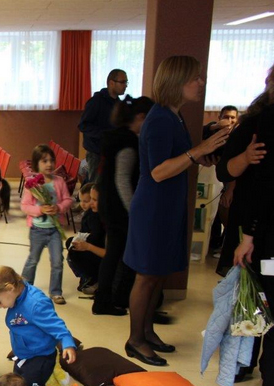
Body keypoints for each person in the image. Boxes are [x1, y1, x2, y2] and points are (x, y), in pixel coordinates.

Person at [123, 56, 230, 367]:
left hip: (166, 206)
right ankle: (135, 340)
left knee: (158, 273)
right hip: (153, 208)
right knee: (147, 276)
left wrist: (201, 155)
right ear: (177, 81)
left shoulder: (174, 115)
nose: (200, 83)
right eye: (195, 78)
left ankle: (147, 331)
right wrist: (197, 152)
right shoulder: (159, 119)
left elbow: (179, 158)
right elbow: (158, 171)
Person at [231, 63, 274, 386]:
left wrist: (249, 236)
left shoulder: (269, 120)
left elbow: (265, 185)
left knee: (268, 313)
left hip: (270, 239)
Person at [0, 266, 77, 386]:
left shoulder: (36, 304)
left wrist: (67, 343)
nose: (1, 307)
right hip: (24, 354)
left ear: (9, 288)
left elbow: (57, 325)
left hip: (40, 356)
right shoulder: (15, 297)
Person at [93, 96, 154, 316]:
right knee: (117, 254)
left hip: (110, 204)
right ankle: (106, 300)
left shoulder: (118, 138)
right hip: (119, 209)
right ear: (141, 117)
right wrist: (133, 211)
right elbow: (122, 180)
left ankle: (113, 298)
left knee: (115, 253)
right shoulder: (126, 142)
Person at [21, 145, 73, 305]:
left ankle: (56, 292)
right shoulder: (32, 184)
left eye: (51, 160)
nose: (49, 164)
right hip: (37, 230)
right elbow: (25, 206)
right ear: (37, 164)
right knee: (33, 260)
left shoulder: (59, 181)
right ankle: (24, 289)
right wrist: (40, 210)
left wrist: (59, 207)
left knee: (57, 261)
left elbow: (68, 200)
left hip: (55, 230)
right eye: (44, 161)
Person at [78, 69, 128, 183]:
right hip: (96, 153)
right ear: (111, 83)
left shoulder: (119, 104)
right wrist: (104, 134)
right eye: (122, 82)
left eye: (126, 82)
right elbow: (83, 125)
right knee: (95, 186)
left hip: (112, 152)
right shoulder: (96, 101)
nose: (125, 85)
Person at [204, 105, 240, 259]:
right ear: (219, 118)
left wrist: (230, 189)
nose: (229, 121)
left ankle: (228, 246)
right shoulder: (213, 134)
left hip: (232, 182)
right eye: (226, 117)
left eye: (232, 118)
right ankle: (216, 243)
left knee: (227, 211)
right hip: (215, 178)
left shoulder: (239, 137)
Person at [66, 183, 105, 295]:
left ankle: (91, 278)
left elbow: (96, 237)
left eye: (87, 201)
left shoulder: (95, 216)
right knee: (70, 244)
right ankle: (86, 277)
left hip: (96, 248)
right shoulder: (89, 213)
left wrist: (85, 243)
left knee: (73, 253)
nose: (82, 204)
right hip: (89, 243)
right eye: (81, 201)